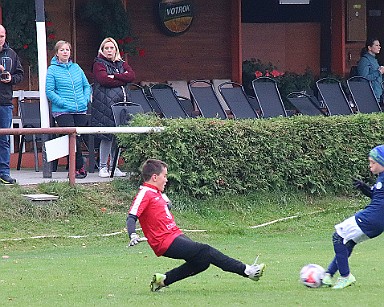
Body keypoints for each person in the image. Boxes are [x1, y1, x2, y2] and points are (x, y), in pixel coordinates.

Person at [126, 159, 266, 292]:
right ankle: (248, 271)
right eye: (165, 176)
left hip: (175, 234)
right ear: (155, 177)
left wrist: (166, 206)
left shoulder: (158, 193)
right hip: (163, 242)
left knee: (202, 262)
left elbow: (163, 207)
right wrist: (132, 234)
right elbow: (131, 216)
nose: (167, 179)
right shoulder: (144, 193)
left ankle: (163, 280)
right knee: (205, 250)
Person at [322, 145, 384, 289]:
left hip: (371, 218)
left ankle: (345, 276)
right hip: (378, 224)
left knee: (338, 236)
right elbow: (378, 197)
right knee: (348, 243)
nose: (370, 166)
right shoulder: (381, 178)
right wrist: (364, 188)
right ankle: (328, 275)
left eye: (373, 162)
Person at [46, 40, 91, 179]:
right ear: (57, 53)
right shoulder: (52, 69)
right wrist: (64, 103)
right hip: (62, 110)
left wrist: (84, 100)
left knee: (81, 135)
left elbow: (86, 86)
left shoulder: (76, 68)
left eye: (67, 50)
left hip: (80, 108)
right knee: (72, 136)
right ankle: (78, 167)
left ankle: (80, 164)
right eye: (62, 50)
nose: (65, 52)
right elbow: (50, 91)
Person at [91, 37, 135, 178]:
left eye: (112, 48)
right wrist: (122, 79)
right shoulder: (98, 64)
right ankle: (103, 167)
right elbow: (103, 80)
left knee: (118, 136)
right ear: (102, 50)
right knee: (106, 135)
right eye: (106, 48)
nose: (109, 50)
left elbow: (131, 76)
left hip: (121, 105)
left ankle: (114, 166)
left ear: (116, 49)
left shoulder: (122, 63)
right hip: (105, 105)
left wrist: (114, 76)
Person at [0, 25, 24, 184]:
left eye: (1, 36)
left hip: (4, 102)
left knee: (4, 140)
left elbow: (20, 75)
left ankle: (4, 173)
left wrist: (10, 78)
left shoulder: (11, 54)